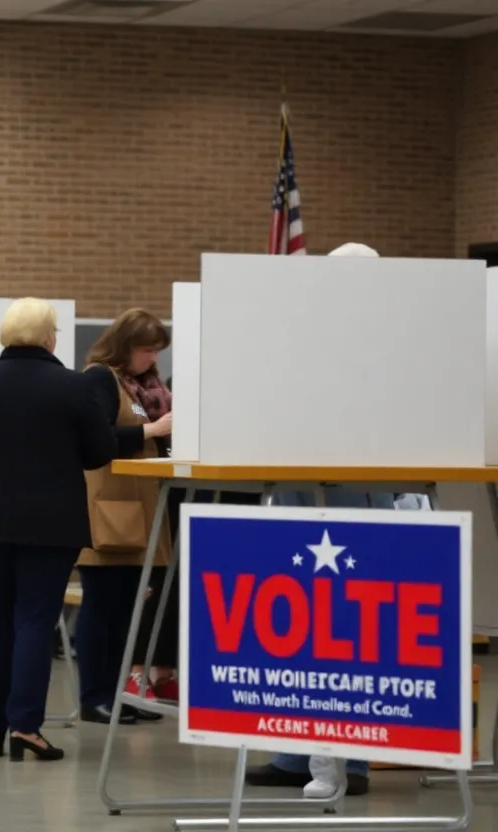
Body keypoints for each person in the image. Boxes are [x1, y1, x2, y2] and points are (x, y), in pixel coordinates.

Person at [245, 242, 390, 799]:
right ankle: (298, 755)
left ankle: (347, 762)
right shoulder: (317, 335)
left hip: (348, 498)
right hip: (309, 493)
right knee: (301, 627)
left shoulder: (373, 343)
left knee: (343, 629)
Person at [0, 297, 116, 762]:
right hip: (51, 521)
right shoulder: (73, 387)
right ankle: (26, 727)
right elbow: (100, 451)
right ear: (46, 337)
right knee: (36, 620)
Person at [77, 308, 178, 725]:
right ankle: (94, 695)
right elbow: (94, 437)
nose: (153, 359)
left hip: (144, 507)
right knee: (102, 607)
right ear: (125, 346)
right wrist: (151, 432)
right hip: (110, 509)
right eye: (147, 350)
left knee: (130, 609)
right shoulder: (99, 379)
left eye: (157, 351)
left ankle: (121, 692)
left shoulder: (144, 387)